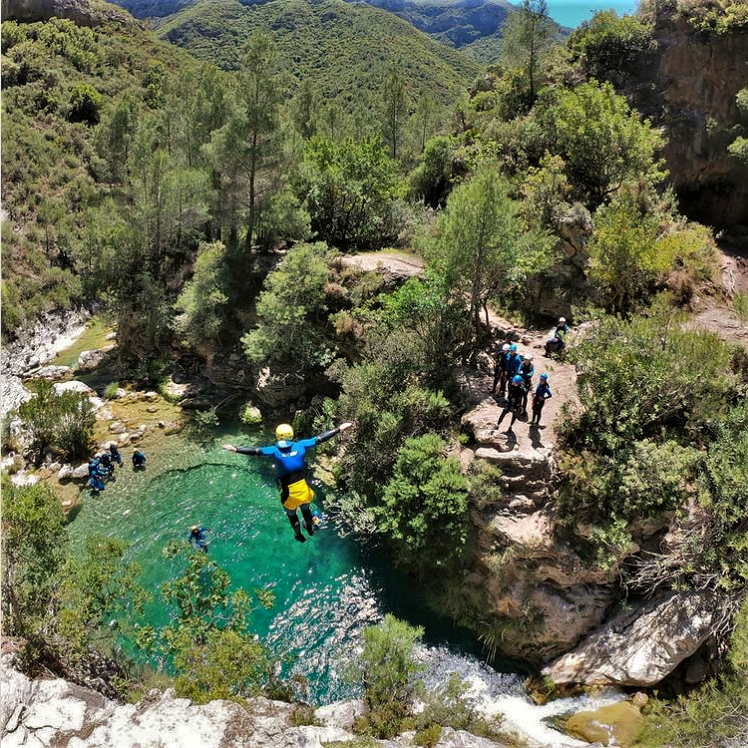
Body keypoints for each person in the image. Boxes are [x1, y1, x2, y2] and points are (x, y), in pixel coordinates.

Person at [224, 421, 353, 543]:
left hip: (289, 495)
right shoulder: (301, 445)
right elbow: (320, 438)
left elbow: (256, 451)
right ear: (291, 435)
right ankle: (310, 529)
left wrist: (235, 449)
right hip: (304, 491)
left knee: (292, 516)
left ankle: (298, 535)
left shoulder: (275, 450)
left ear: (278, 436)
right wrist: (339, 428)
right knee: (306, 510)